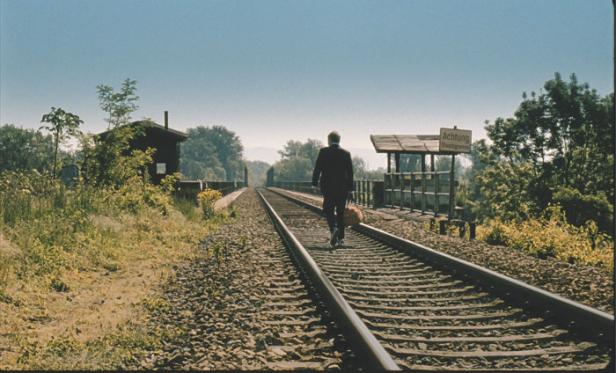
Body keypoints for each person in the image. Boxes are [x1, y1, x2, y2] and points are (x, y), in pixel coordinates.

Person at [312, 131, 354, 248]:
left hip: (328, 187)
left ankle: (333, 228)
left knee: (328, 210)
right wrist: (350, 189)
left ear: (329, 140)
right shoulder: (346, 154)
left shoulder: (324, 152)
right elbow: (350, 173)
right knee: (340, 213)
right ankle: (341, 239)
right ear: (339, 140)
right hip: (342, 188)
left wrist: (314, 183)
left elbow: (318, 168)